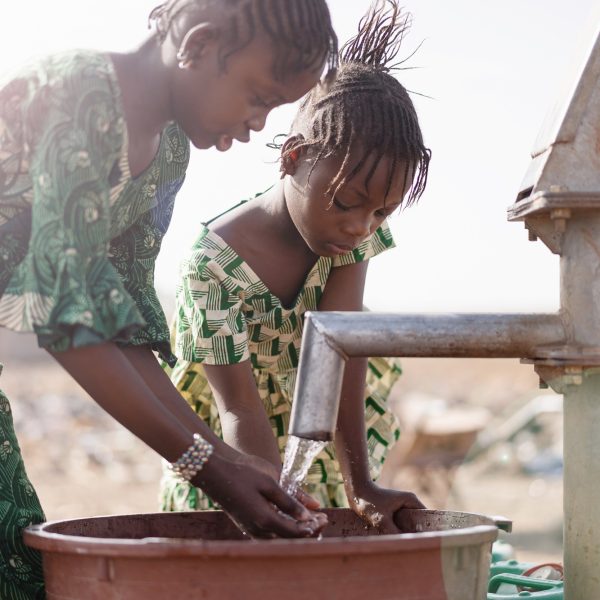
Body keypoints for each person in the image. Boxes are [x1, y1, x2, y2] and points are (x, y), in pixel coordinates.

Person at [0, 0, 338, 597]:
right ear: (200, 45)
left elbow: (119, 330)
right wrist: (207, 469)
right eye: (258, 96)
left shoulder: (168, 154)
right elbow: (66, 322)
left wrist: (232, 465)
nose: (260, 123)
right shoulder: (75, 92)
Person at [161, 0, 431, 532]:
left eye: (382, 212)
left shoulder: (346, 242)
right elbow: (238, 407)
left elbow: (343, 354)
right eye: (349, 201)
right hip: (237, 471)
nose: (361, 226)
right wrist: (273, 504)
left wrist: (360, 485)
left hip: (319, 459)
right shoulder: (212, 267)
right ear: (293, 158)